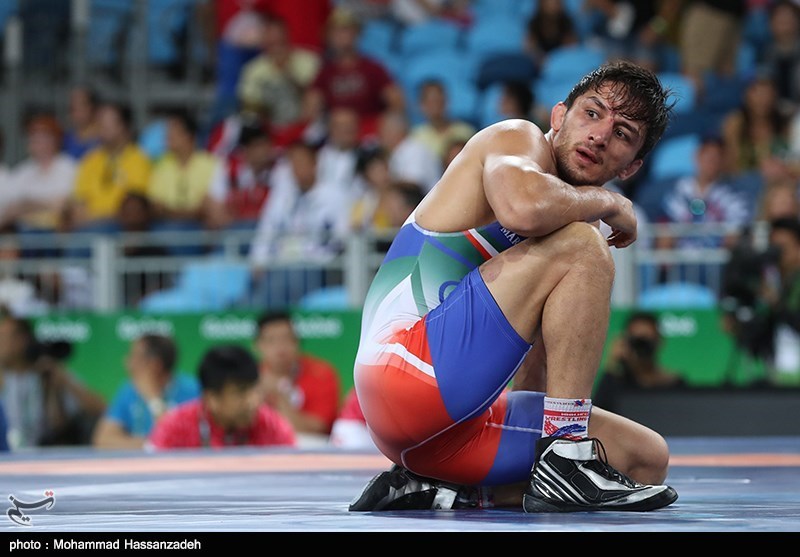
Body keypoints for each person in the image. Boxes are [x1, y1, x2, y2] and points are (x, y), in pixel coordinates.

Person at [348, 60, 679, 513]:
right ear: (559, 115)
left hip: (445, 433)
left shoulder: (565, 238)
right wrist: (607, 202)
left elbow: (537, 364)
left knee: (644, 458)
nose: (600, 136)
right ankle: (566, 454)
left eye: (622, 134)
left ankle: (442, 489)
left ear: (632, 166)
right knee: (584, 244)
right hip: (404, 371)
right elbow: (522, 209)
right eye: (592, 113)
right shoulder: (516, 139)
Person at [147, 344, 296, 450]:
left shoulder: (272, 427)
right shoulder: (175, 428)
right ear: (212, 399)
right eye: (240, 392)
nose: (253, 401)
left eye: (255, 389)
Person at [0, 312, 106, 449]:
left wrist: (62, 381)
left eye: (3, 337)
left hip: (45, 454)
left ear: (22, 340)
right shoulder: (4, 377)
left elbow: (101, 409)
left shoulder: (49, 372)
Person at [92, 334, 200, 450]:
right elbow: (103, 440)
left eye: (134, 357)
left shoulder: (193, 392)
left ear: (155, 364)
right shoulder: (129, 389)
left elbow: (177, 441)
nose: (127, 363)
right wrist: (150, 445)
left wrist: (153, 399)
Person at [253, 311, 341, 438]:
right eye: (271, 340)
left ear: (297, 342)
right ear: (257, 345)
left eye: (286, 339)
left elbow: (317, 430)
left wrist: (279, 397)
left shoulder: (321, 374)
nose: (280, 348)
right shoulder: (249, 379)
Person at [593, 311, 686, 411]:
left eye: (647, 341)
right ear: (627, 343)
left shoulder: (675, 384)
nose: (642, 347)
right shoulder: (616, 384)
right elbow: (598, 413)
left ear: (659, 341)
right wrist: (613, 364)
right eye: (637, 341)